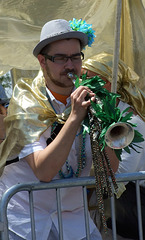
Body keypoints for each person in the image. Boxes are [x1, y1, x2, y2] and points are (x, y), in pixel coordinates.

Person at [0, 19, 102, 240]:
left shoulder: (89, 97)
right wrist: (75, 118)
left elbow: (110, 170)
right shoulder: (26, 101)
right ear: (42, 61)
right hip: (27, 222)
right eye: (60, 58)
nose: (70, 65)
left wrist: (104, 123)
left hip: (75, 221)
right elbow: (44, 171)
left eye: (75, 57)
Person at [81, 52, 145, 239]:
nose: (82, 85)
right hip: (109, 217)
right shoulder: (93, 113)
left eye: (88, 79)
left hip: (129, 218)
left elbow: (120, 179)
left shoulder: (134, 121)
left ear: (109, 84)